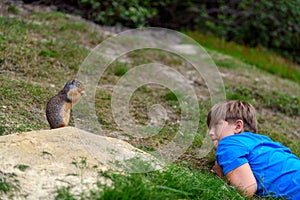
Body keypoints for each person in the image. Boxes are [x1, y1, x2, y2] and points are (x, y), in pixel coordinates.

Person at [206, 100, 300, 199]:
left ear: (238, 126)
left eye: (216, 125)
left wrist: (222, 174)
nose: (210, 133)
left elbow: (246, 189)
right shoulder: (264, 142)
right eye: (209, 128)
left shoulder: (228, 143)